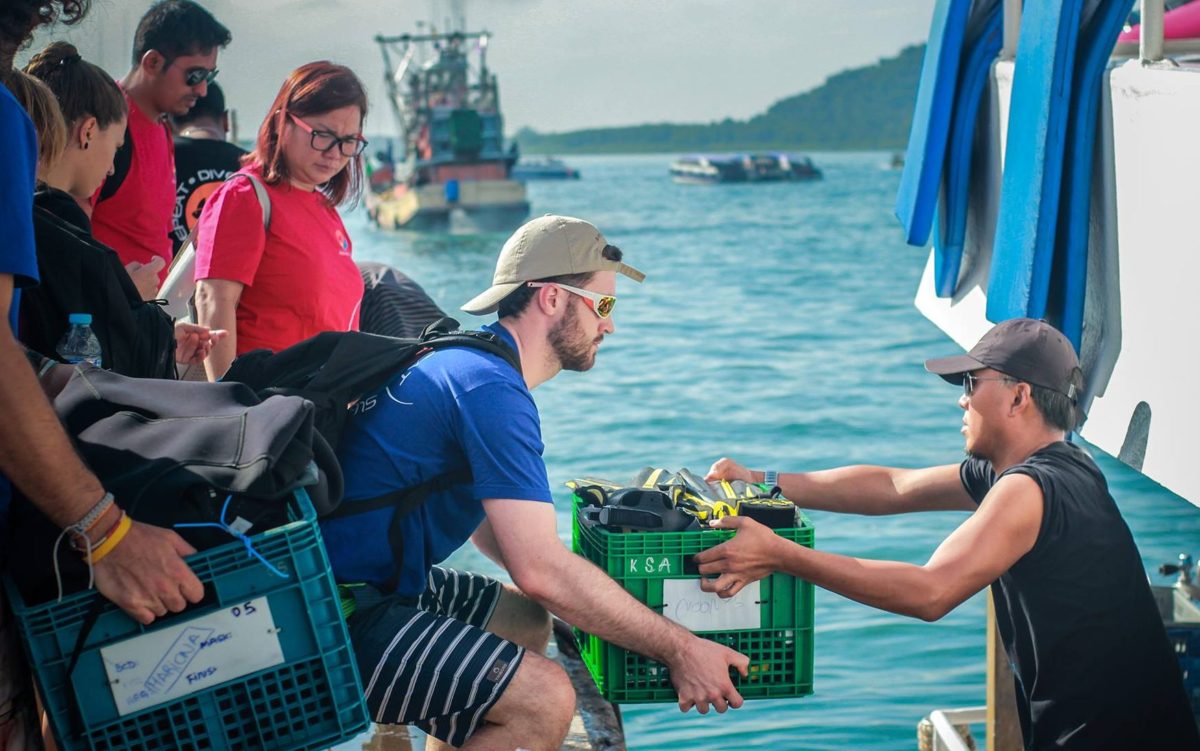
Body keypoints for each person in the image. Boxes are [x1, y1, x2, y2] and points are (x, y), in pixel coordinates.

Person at [322, 215, 750, 751]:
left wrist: (593, 598)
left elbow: (497, 533)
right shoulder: (491, 390)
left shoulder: (466, 359)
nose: (610, 326)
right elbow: (540, 569)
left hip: (366, 582)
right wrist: (682, 649)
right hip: (333, 611)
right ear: (551, 299)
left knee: (523, 618)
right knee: (544, 699)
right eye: (605, 305)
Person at [699, 318, 1200, 750]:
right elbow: (894, 487)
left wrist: (782, 556)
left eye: (970, 383)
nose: (961, 401)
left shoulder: (1030, 489)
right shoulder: (1059, 467)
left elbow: (930, 592)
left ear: (1018, 396)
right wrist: (765, 482)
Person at [0, 2, 202, 747]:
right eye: (112, 153)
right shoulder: (63, 232)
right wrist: (108, 533)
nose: (112, 171)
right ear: (87, 134)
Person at [20, 42, 222, 376]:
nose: (112, 168)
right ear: (87, 132)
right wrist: (128, 301)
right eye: (116, 146)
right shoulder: (60, 224)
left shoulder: (25, 209)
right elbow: (82, 359)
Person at [194, 61, 367, 381]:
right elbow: (214, 300)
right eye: (323, 135)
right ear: (282, 122)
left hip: (321, 404)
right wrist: (230, 403)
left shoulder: (324, 208)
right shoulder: (245, 195)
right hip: (268, 403)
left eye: (348, 141)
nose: (335, 153)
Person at [91, 0, 230, 299]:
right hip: (106, 318)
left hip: (149, 320)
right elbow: (65, 229)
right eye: (195, 76)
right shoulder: (106, 120)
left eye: (210, 77)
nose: (203, 90)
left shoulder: (160, 126)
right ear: (152, 62)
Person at [170, 81, 245, 254]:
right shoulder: (251, 165)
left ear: (167, 122)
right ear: (226, 121)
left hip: (164, 278)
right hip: (231, 278)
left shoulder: (162, 156)